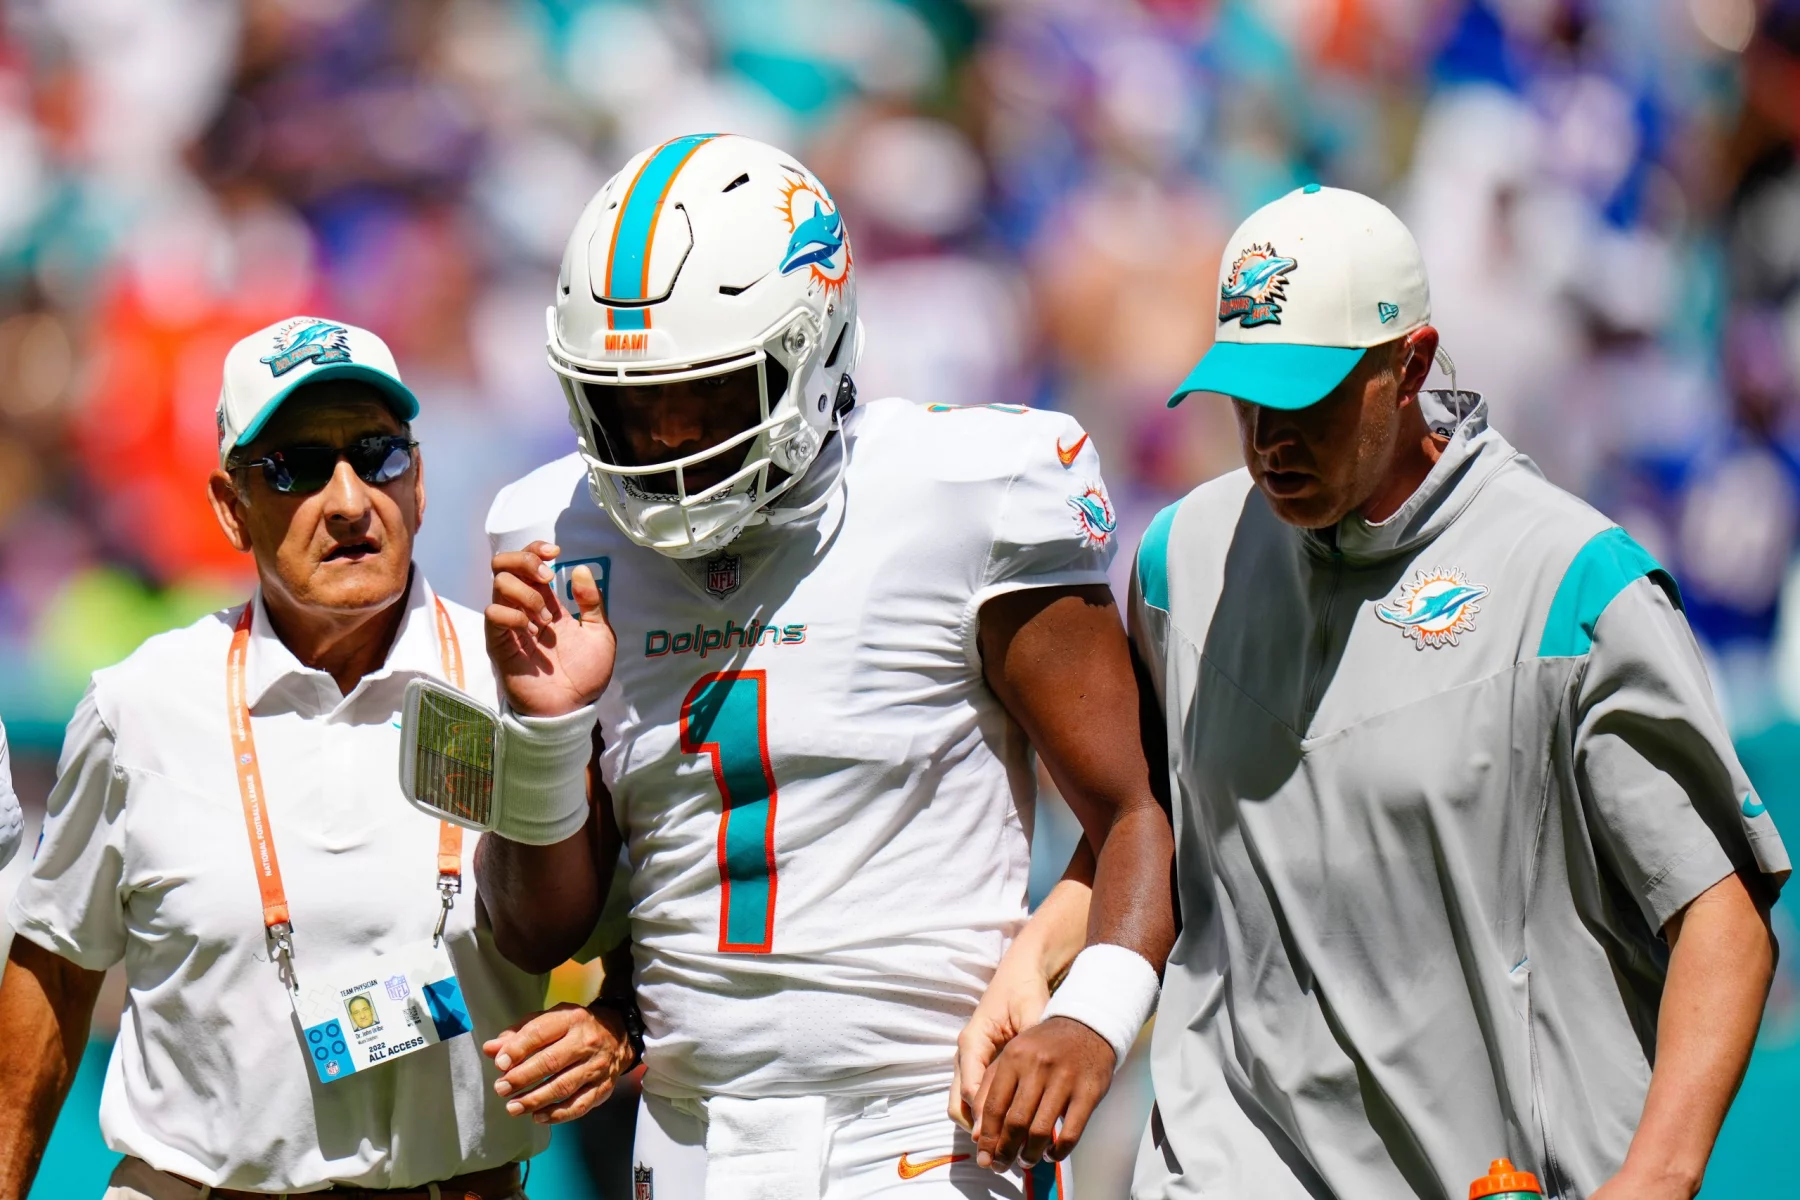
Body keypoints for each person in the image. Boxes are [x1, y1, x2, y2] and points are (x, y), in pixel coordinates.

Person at [456, 133, 1175, 1198]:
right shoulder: (559, 531)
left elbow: (1137, 810)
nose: (665, 443)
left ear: (814, 346)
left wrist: (1092, 1017)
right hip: (687, 1132)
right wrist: (548, 729)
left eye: (703, 398)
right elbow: (537, 930)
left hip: (925, 1121)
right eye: (631, 405)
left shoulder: (968, 492)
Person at [1126, 185, 1788, 1198]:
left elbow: (1720, 912)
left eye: (1306, 398)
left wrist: (1656, 1177)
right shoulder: (1182, 560)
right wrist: (1065, 995)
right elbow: (1140, 836)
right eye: (1245, 397)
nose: (1268, 438)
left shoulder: (1572, 588)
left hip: (1491, 1173)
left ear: (1411, 365)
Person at [0, 318, 626, 1199]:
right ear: (231, 506)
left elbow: (641, 918)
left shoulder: (526, 683)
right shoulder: (138, 706)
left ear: (418, 485)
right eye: (296, 466)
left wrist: (616, 1027)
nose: (348, 500)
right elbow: (57, 971)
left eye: (378, 456)